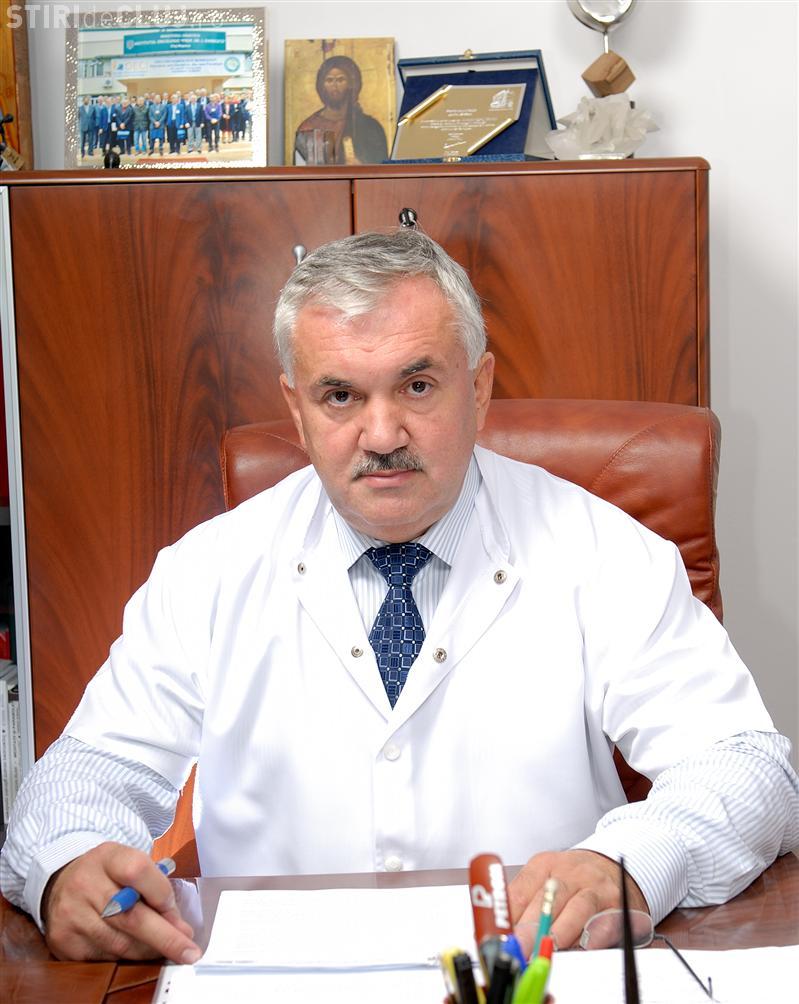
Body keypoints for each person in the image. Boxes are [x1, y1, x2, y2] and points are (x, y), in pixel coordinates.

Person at [1, 229, 797, 966]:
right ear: (296, 409)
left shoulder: (604, 553)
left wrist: (627, 863)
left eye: (417, 386)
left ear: (478, 387)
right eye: (339, 396)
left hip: (531, 973)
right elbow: (94, 767)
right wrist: (68, 862)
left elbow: (745, 768)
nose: (381, 436)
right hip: (278, 981)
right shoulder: (208, 570)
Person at [294, 54, 388, 165]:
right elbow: (300, 170)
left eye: (340, 79)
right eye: (329, 80)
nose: (334, 85)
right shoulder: (308, 127)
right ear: (321, 85)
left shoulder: (370, 127)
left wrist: (361, 166)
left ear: (351, 84)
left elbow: (381, 168)